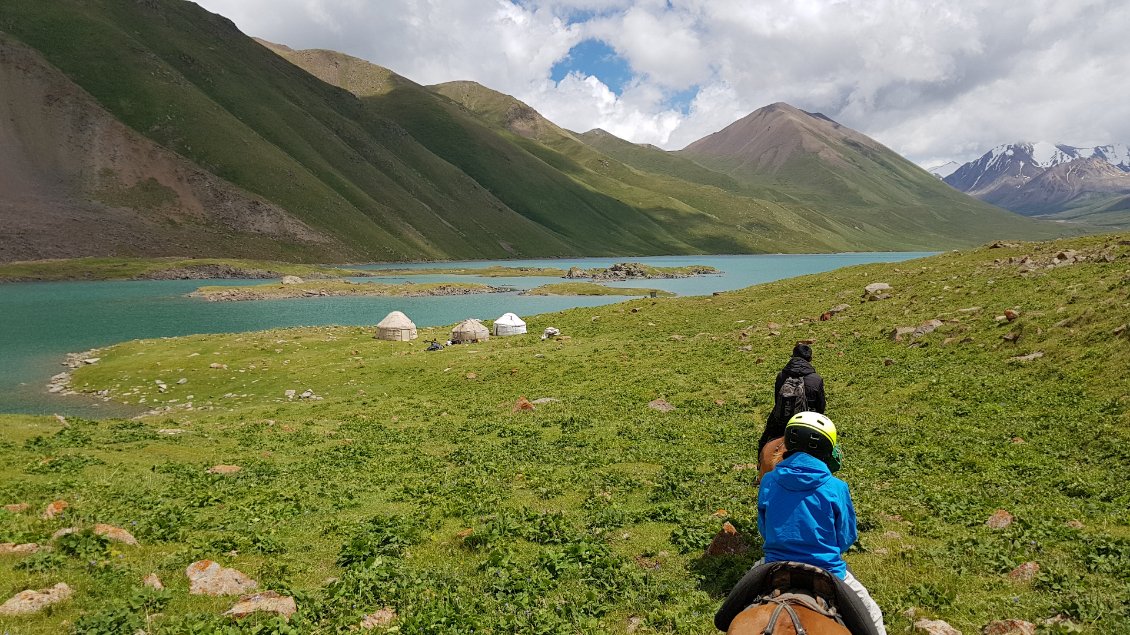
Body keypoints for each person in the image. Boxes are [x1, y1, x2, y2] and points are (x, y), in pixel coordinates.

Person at [757, 411, 885, 635]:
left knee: (729, 612)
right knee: (873, 617)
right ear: (826, 449)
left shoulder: (768, 480)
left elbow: (764, 527)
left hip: (774, 564)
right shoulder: (836, 487)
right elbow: (846, 536)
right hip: (828, 568)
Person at [758, 343, 826, 455]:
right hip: (807, 422)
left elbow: (777, 400)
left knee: (764, 444)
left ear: (793, 356)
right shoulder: (816, 379)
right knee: (827, 447)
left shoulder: (781, 376)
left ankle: (760, 465)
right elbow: (821, 406)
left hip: (782, 421)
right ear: (810, 359)